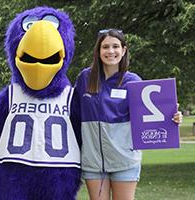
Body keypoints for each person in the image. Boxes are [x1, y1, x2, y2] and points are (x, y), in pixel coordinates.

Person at [73, 29, 183, 200]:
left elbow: (150, 119)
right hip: (93, 163)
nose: (110, 51)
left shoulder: (133, 82)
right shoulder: (85, 78)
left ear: (123, 50)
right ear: (98, 51)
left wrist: (172, 117)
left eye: (115, 46)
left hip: (125, 161)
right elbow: (73, 116)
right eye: (105, 47)